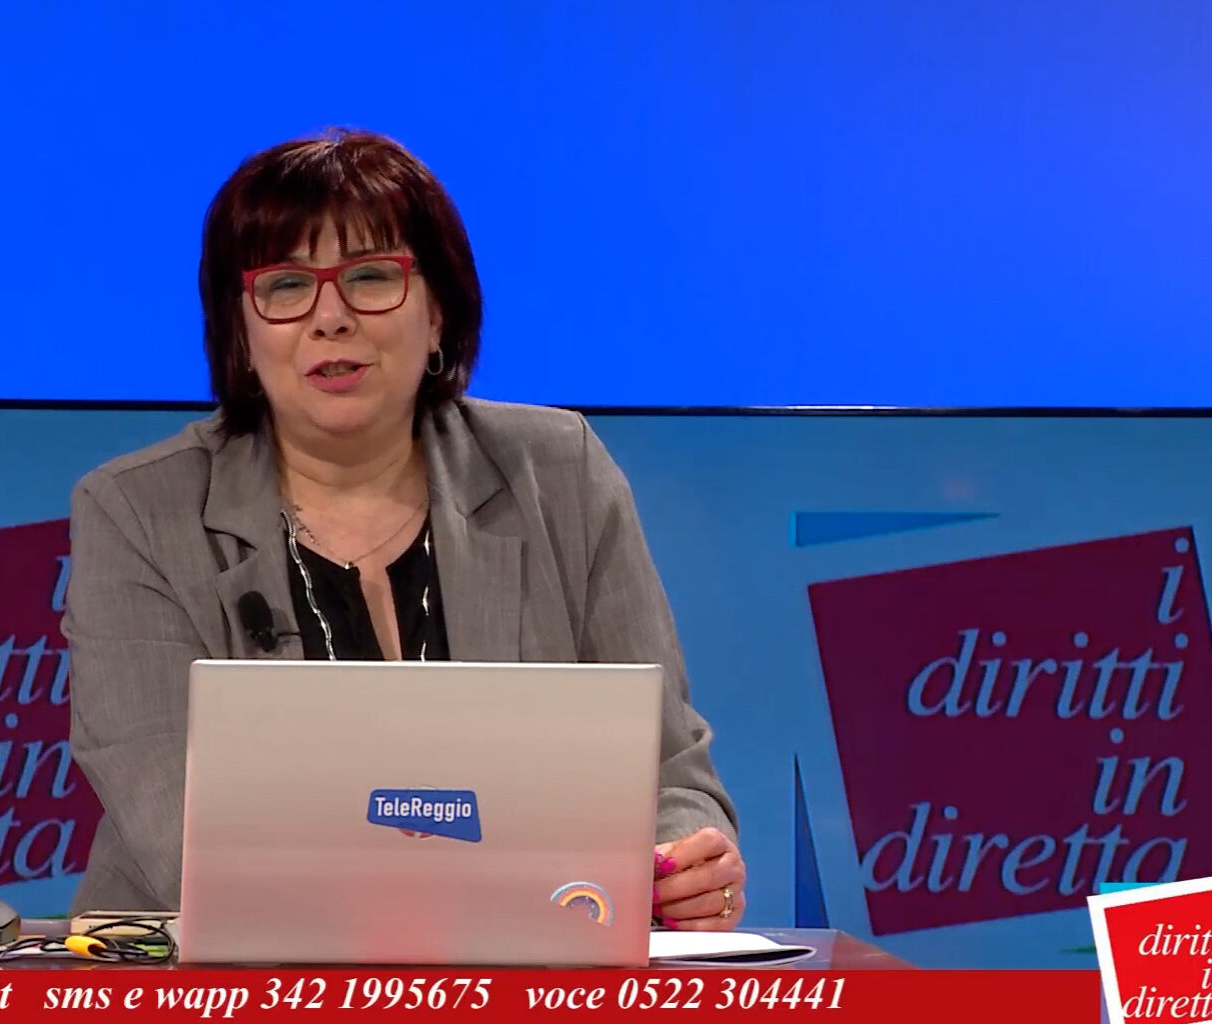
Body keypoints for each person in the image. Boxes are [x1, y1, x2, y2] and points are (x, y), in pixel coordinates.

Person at [60, 128, 744, 931]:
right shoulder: (136, 511)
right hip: (220, 975)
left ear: (438, 312)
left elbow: (666, 768)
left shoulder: (560, 473)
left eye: (371, 277)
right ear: (241, 332)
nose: (331, 317)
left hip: (529, 963)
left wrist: (681, 864)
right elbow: (178, 831)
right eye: (286, 286)